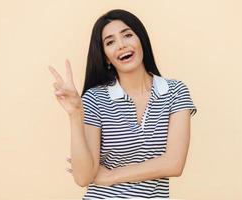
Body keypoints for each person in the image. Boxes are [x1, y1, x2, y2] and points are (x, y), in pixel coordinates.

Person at [48, 9, 197, 199]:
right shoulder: (94, 98)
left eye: (127, 35)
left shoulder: (175, 92)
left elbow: (174, 163)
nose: (121, 45)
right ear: (105, 57)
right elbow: (83, 177)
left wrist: (111, 175)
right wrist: (76, 114)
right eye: (110, 42)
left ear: (141, 39)